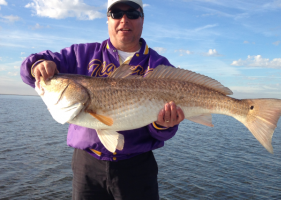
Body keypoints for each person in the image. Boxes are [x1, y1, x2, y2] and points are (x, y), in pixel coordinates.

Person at [20, 0, 185, 199]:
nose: (124, 20)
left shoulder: (159, 66)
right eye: (116, 13)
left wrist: (163, 125)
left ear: (142, 19)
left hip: (138, 168)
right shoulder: (81, 54)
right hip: (86, 166)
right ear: (107, 19)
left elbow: (164, 134)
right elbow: (30, 69)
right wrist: (37, 65)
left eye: (132, 13)